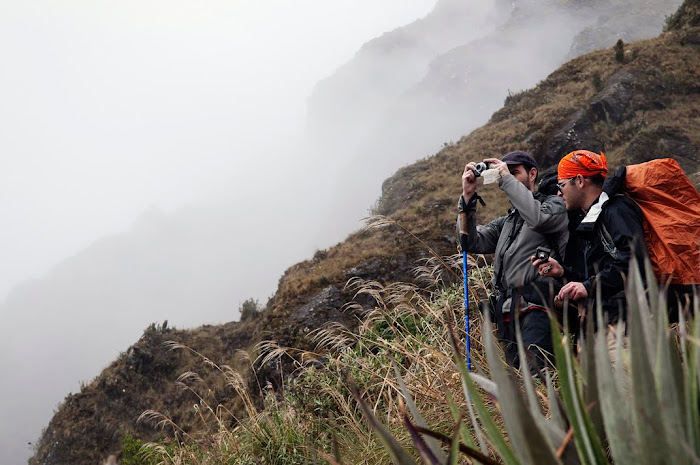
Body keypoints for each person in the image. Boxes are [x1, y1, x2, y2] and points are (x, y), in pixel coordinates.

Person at [458, 151, 568, 371]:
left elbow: (537, 219)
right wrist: (468, 197)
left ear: (532, 174)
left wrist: (506, 179)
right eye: (506, 173)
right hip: (508, 313)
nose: (508, 177)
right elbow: (470, 243)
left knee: (538, 376)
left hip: (539, 309)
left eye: (515, 172)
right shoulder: (507, 221)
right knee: (519, 382)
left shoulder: (553, 205)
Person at [532, 150, 647, 352]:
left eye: (561, 185)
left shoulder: (616, 210)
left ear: (579, 180)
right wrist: (564, 273)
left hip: (625, 328)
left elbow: (634, 261)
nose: (559, 193)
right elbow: (601, 275)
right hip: (607, 325)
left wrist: (588, 285)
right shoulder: (595, 216)